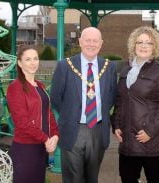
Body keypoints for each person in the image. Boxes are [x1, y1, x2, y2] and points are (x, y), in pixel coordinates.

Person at [50, 27, 118, 183]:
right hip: (73, 129)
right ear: (80, 42)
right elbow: (55, 97)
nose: (91, 44)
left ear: (101, 44)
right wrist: (71, 114)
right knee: (74, 177)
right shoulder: (65, 65)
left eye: (95, 41)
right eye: (87, 40)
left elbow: (112, 96)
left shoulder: (109, 67)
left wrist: (96, 113)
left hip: (98, 130)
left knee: (92, 177)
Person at [112, 27, 159, 183]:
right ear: (134, 45)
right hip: (128, 139)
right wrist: (116, 124)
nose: (144, 46)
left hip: (152, 140)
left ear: (155, 47)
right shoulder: (126, 71)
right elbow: (120, 100)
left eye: (149, 43)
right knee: (127, 177)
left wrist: (150, 131)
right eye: (140, 42)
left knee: (155, 178)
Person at [6, 46, 59, 183]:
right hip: (26, 148)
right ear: (19, 63)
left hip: (41, 147)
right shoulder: (15, 87)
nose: (33, 62)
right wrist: (45, 139)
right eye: (28, 59)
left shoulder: (40, 85)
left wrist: (55, 135)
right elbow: (22, 122)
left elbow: (48, 113)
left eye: (35, 58)